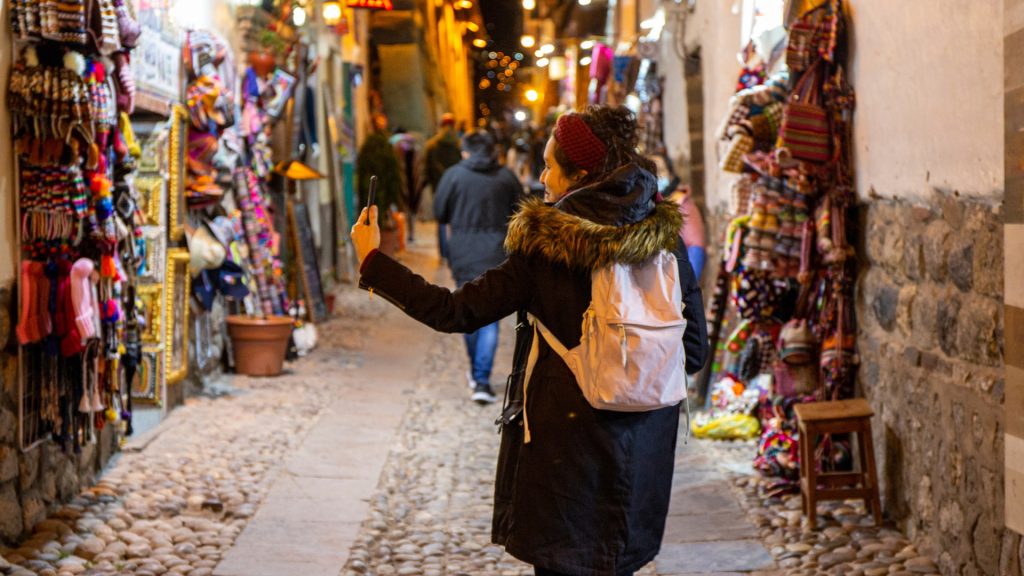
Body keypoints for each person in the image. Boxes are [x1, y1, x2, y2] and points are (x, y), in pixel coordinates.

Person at [352, 105, 709, 576]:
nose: (541, 177)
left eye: (548, 166)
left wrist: (372, 260)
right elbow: (695, 350)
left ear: (580, 174)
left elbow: (455, 311)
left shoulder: (549, 245)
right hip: (641, 465)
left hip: (568, 463)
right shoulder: (665, 238)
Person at [433, 130, 523, 404]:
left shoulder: (454, 176)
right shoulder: (506, 176)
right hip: (497, 252)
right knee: (490, 319)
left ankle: (476, 373)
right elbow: (522, 212)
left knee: (468, 311)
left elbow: (439, 213)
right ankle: (481, 379)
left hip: (463, 252)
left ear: (465, 151)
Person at [653, 154, 707, 280]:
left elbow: (696, 247)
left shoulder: (682, 203)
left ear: (671, 173)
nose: (658, 176)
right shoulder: (660, 204)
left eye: (661, 171)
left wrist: (685, 283)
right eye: (654, 172)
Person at [423, 113, 463, 260]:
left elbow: (427, 169)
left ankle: (444, 253)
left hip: (439, 188)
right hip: (456, 187)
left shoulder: (432, 145)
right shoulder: (458, 144)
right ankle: (454, 251)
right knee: (456, 218)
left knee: (441, 220)